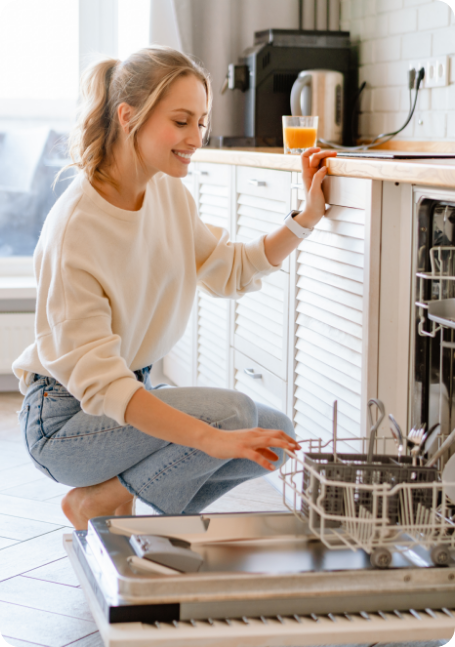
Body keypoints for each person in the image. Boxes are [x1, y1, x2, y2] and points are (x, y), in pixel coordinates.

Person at [13, 46, 336, 530]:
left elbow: (231, 268)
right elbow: (104, 385)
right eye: (181, 121)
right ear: (129, 116)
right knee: (229, 416)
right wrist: (208, 439)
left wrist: (305, 219)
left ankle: (121, 500)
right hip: (64, 422)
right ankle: (95, 502)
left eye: (201, 122)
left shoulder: (167, 194)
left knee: (275, 436)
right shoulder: (76, 228)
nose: (196, 138)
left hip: (130, 388)